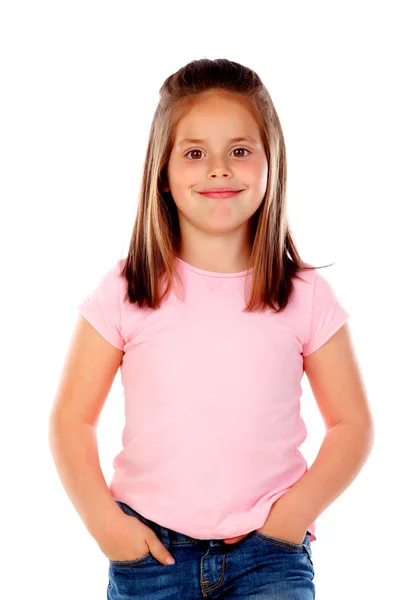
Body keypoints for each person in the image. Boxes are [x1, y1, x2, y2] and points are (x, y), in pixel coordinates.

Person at [49, 58, 374, 599]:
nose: (218, 169)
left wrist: (292, 518)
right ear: (164, 173)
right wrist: (106, 526)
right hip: (150, 556)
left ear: (272, 164)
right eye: (195, 153)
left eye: (240, 152)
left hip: (269, 558)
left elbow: (352, 423)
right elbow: (70, 418)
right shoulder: (128, 287)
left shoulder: (304, 293)